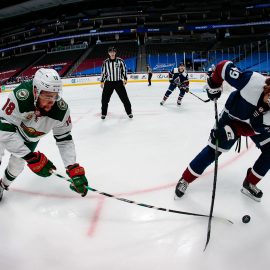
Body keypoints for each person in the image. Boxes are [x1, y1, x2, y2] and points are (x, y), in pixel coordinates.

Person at [174, 60, 270, 202]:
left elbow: (252, 130)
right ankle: (186, 178)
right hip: (231, 116)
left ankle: (250, 183)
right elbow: (222, 67)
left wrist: (231, 132)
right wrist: (214, 86)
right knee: (214, 149)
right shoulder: (252, 82)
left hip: (249, 127)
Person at [0, 68, 88, 201]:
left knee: (16, 166)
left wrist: (72, 166)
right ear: (35, 91)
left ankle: (2, 185)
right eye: (47, 96)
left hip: (30, 138)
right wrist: (30, 157)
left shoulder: (61, 111)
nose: (52, 101)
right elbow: (3, 130)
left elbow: (64, 139)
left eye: (55, 96)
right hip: (10, 128)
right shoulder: (21, 96)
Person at [100, 46, 133, 120]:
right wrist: (102, 81)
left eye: (113, 52)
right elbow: (103, 73)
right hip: (108, 83)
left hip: (118, 82)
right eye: (110, 52)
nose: (112, 53)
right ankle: (103, 114)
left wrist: (125, 79)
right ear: (108, 53)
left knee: (124, 98)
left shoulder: (120, 61)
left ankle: (129, 112)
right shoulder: (105, 62)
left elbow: (124, 70)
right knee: (104, 99)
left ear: (115, 52)